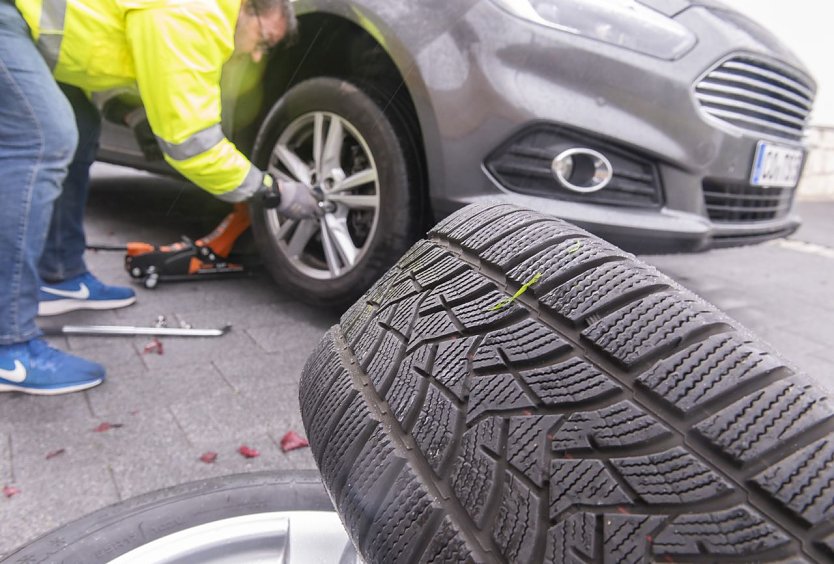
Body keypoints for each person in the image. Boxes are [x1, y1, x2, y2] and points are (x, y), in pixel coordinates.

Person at [0, 0, 318, 395]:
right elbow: (192, 144)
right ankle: (8, 347)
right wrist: (272, 190)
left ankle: (61, 276)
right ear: (248, 7)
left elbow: (117, 46)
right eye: (263, 41)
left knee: (79, 128)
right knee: (45, 139)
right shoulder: (196, 14)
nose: (255, 55)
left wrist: (134, 113)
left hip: (31, 28)